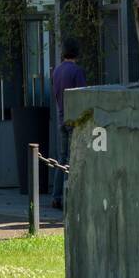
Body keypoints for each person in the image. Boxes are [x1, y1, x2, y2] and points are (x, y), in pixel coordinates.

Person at [50, 37, 86, 209]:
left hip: (61, 117)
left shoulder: (57, 71)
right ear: (77, 52)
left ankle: (56, 196)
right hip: (74, 120)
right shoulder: (76, 71)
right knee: (72, 159)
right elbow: (82, 96)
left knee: (61, 158)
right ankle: (68, 196)